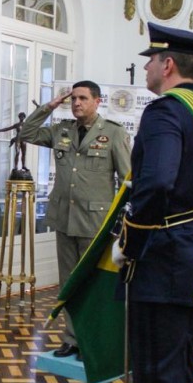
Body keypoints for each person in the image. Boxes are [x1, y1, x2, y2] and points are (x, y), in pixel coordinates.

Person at [112, 23, 193, 383]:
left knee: (155, 376)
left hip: (162, 263)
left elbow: (157, 183)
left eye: (151, 62)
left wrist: (131, 244)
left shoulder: (165, 111)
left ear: (169, 65)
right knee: (176, 372)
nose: (146, 70)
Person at [19, 80, 130, 360]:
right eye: (73, 99)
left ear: (97, 101)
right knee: (68, 282)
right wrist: (49, 106)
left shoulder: (113, 134)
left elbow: (127, 180)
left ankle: (92, 341)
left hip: (96, 223)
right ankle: (72, 339)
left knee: (92, 284)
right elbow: (27, 132)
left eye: (82, 98)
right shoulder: (62, 130)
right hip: (64, 219)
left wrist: (119, 222)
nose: (77, 103)